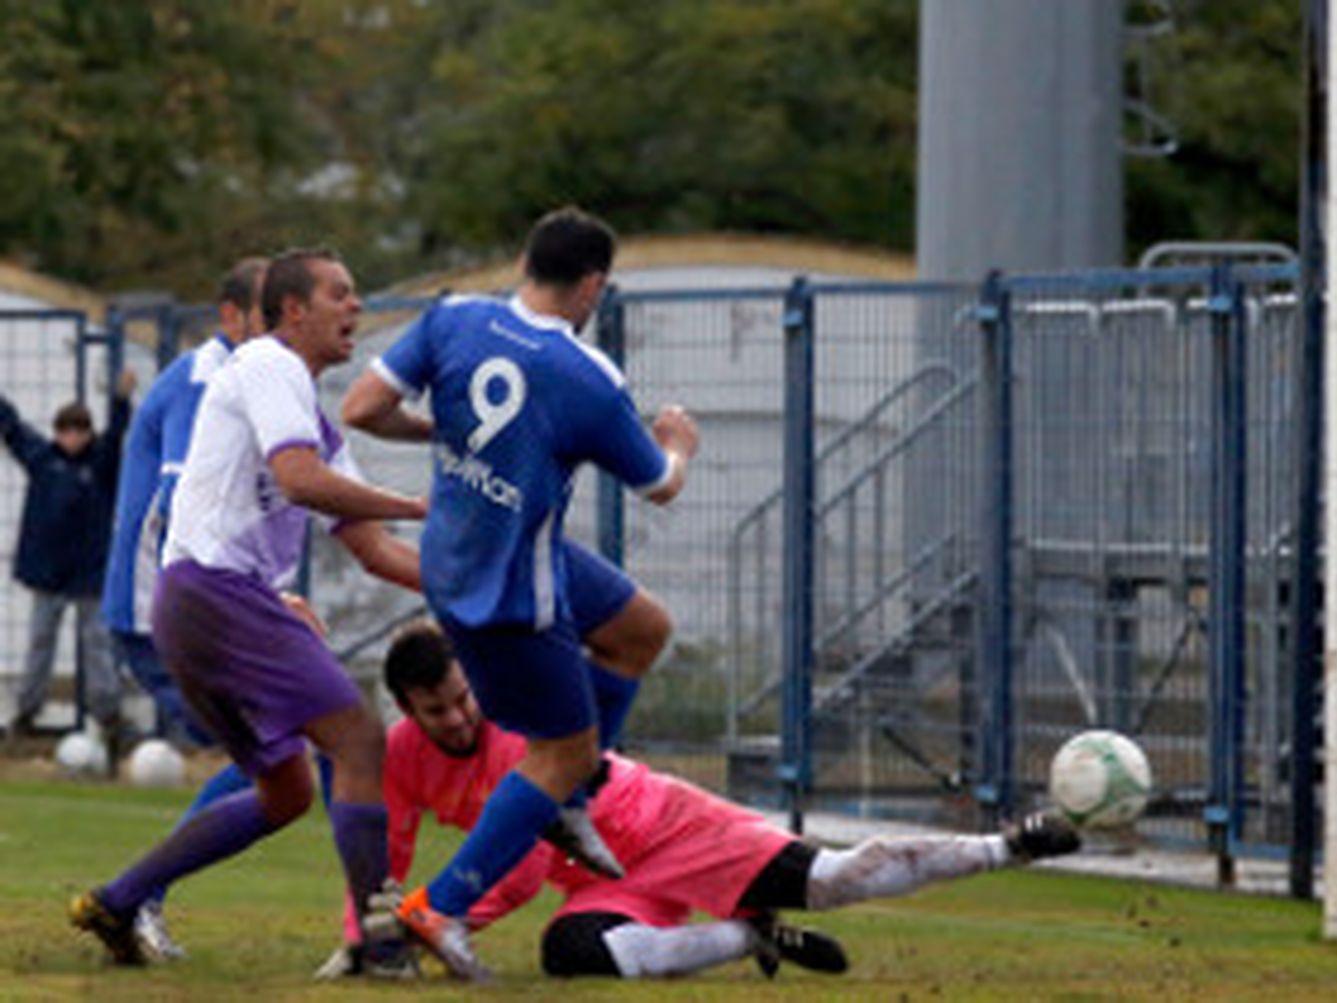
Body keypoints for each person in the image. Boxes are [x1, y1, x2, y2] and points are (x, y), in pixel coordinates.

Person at [339, 206, 699, 979]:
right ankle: (444, 905)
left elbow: (361, 408)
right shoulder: (588, 377)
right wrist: (678, 442)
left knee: (641, 628)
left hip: (465, 555)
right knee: (556, 751)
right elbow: (661, 487)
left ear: (526, 262)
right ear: (594, 284)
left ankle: (570, 799)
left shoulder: (452, 319)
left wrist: (442, 432)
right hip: (511, 588)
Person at [317, 621, 1082, 981]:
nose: (455, 717)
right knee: (572, 956)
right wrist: (368, 937)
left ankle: (1008, 843)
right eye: (435, 709)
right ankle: (749, 939)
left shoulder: (516, 721)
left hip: (667, 823)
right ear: (406, 710)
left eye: (459, 699)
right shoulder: (400, 759)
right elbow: (384, 854)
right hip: (598, 878)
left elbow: (513, 864)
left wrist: (445, 921)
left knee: (836, 881)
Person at [69, 248, 427, 973]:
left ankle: (120, 897)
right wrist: (419, 503)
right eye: (341, 293)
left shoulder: (312, 417)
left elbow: (376, 551)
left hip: (200, 602)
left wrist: (479, 583)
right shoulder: (270, 364)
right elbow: (298, 482)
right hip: (214, 592)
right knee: (359, 740)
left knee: (286, 790)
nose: (355, 308)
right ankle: (380, 943)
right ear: (294, 310)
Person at [102, 257, 269, 747]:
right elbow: (184, 497)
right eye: (270, 312)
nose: (285, 325)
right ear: (231, 317)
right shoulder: (204, 380)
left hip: (185, 601)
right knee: (264, 741)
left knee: (264, 746)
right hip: (155, 603)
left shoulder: (247, 378)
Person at [0, 366, 136, 742]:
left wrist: (121, 399)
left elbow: (117, 434)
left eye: (79, 430)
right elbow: (12, 429)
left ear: (88, 432)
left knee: (97, 649)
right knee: (39, 645)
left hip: (90, 576)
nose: (72, 438)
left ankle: (109, 718)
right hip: (48, 574)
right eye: (65, 430)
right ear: (57, 432)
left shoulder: (101, 463)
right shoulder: (43, 459)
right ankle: (26, 714)